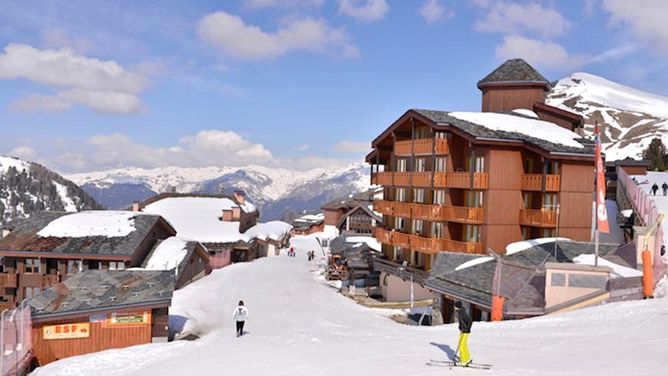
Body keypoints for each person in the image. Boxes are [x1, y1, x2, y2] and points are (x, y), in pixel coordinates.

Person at [454, 301, 473, 366]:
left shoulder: (462, 313)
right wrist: (460, 327)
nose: (454, 308)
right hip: (463, 331)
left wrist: (467, 329)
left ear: (457, 307)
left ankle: (463, 361)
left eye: (455, 306)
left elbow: (470, 321)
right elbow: (462, 322)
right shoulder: (461, 312)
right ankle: (467, 358)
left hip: (465, 332)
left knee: (461, 346)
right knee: (463, 345)